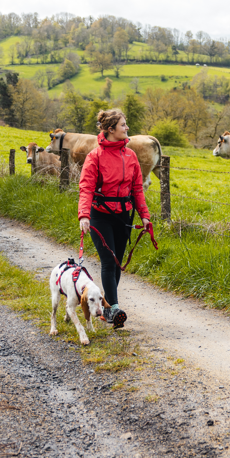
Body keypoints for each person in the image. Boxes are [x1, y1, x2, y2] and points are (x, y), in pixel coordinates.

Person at [78, 108, 152, 329]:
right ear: (110, 129)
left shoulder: (130, 156)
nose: (127, 128)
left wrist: (145, 215)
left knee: (117, 263)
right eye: (123, 125)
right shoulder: (95, 157)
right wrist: (84, 215)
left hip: (123, 215)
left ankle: (108, 308)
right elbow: (86, 188)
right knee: (109, 261)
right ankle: (113, 310)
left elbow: (137, 188)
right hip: (99, 215)